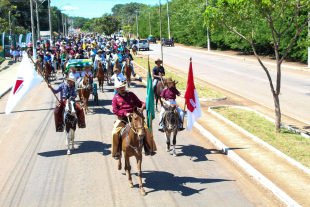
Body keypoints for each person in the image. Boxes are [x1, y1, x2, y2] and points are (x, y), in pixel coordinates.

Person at [111, 82, 157, 159]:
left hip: (134, 117)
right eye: (120, 88)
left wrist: (147, 105)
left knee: (146, 129)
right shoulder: (115, 98)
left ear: (125, 88)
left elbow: (139, 103)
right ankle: (117, 151)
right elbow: (115, 110)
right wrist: (125, 114)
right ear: (118, 89)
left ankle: (148, 147)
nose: (122, 89)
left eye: (123, 87)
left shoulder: (131, 95)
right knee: (114, 133)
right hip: (122, 119)